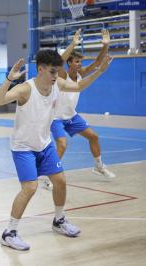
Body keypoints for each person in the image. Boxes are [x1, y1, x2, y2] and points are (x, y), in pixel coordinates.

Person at [0, 50, 112, 251]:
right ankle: (9, 233)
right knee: (30, 188)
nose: (56, 75)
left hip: (44, 144)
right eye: (52, 71)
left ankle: (59, 220)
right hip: (23, 148)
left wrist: (100, 70)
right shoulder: (25, 89)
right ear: (40, 69)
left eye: (58, 72)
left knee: (60, 181)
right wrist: (8, 79)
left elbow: (80, 85)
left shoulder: (58, 84)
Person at [47, 28, 115, 184]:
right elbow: (59, 62)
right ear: (70, 63)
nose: (80, 64)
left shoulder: (80, 74)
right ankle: (50, 176)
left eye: (80, 62)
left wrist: (105, 46)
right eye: (77, 61)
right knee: (62, 144)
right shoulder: (62, 74)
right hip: (56, 118)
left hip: (71, 116)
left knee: (94, 136)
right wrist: (72, 44)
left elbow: (97, 63)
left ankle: (98, 166)